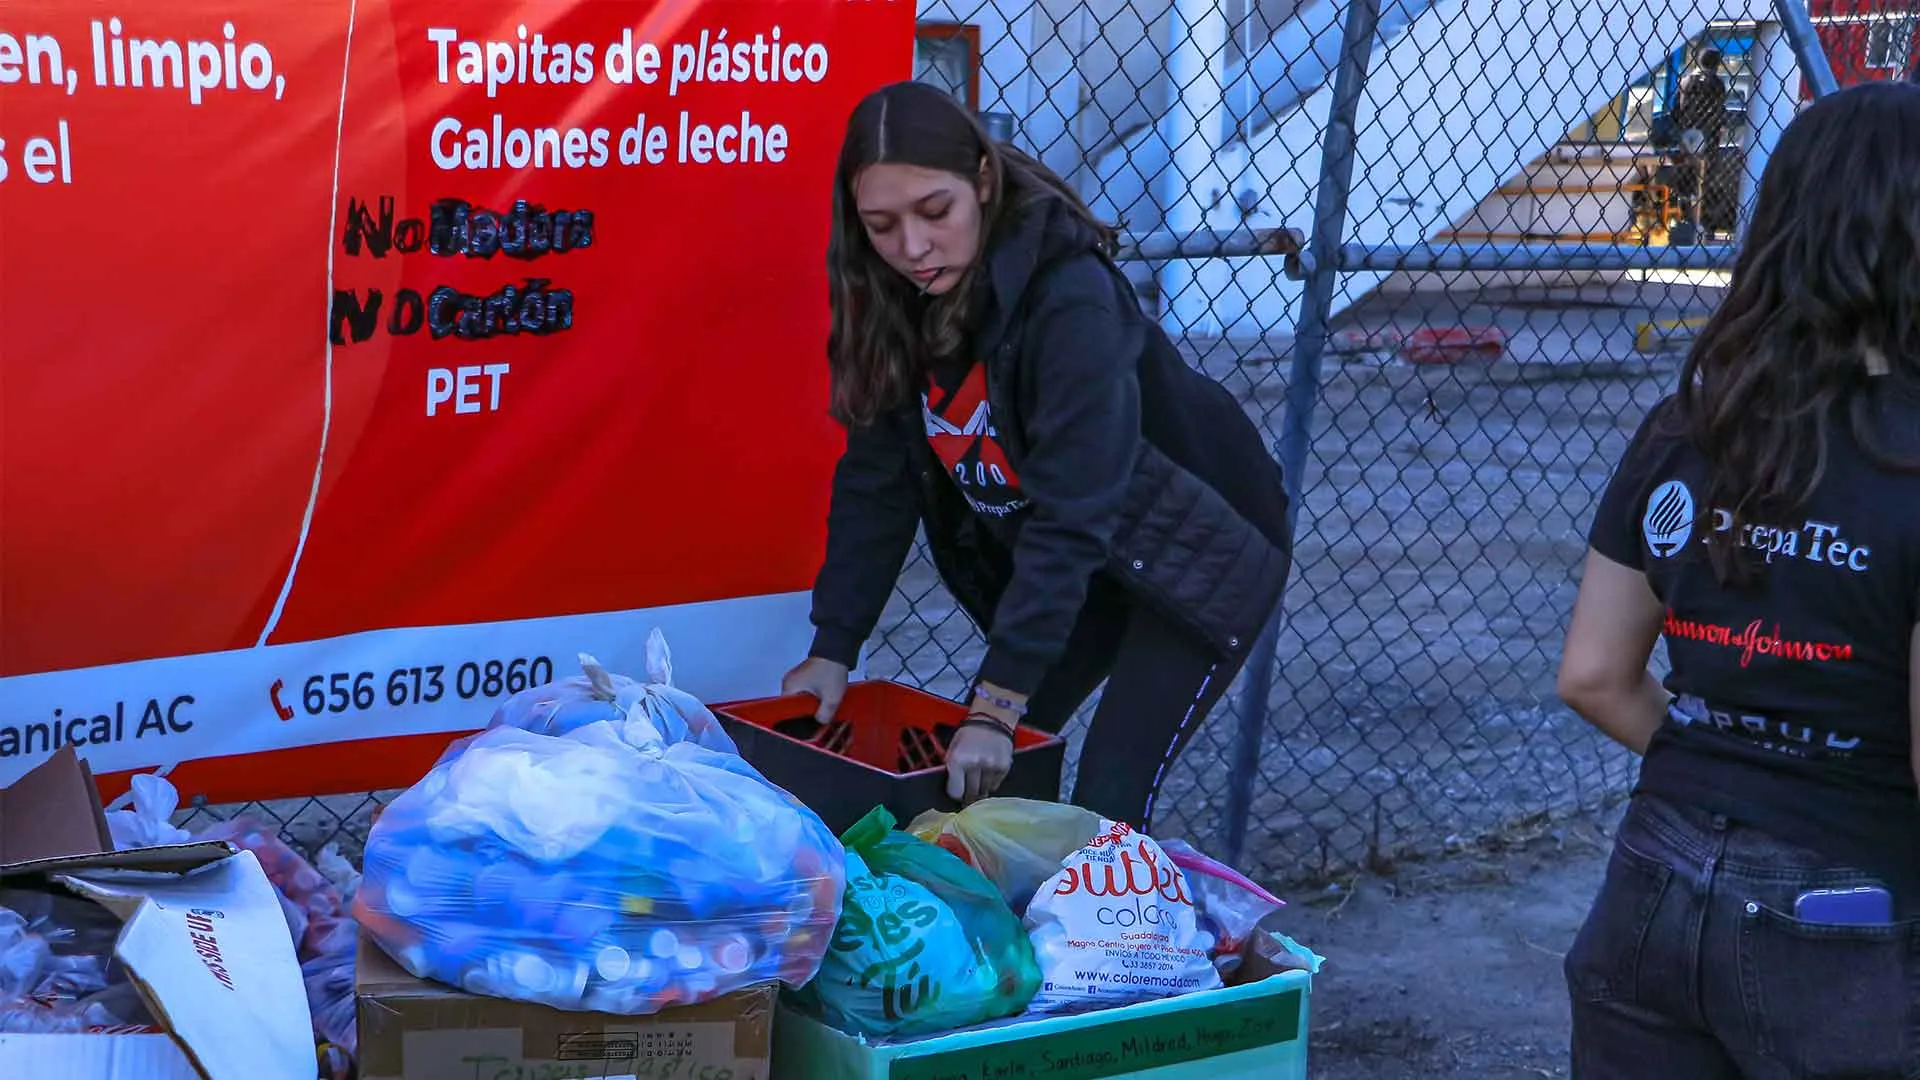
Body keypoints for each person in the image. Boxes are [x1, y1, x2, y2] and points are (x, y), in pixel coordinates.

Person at [780, 81, 1293, 831]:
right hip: (1093, 561)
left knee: (1110, 799)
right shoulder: (896, 303)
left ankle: (1124, 942)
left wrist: (997, 702)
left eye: (935, 211)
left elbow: (1074, 510)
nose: (912, 249)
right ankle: (1014, 939)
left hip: (1202, 548)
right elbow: (876, 485)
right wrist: (834, 646)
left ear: (982, 183)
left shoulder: (1069, 298)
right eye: (881, 225)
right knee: (986, 781)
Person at [1556, 81, 1920, 1078]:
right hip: (1844, 909)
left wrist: (1726, 768)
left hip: (1649, 885)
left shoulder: (1688, 427)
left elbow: (1593, 673)